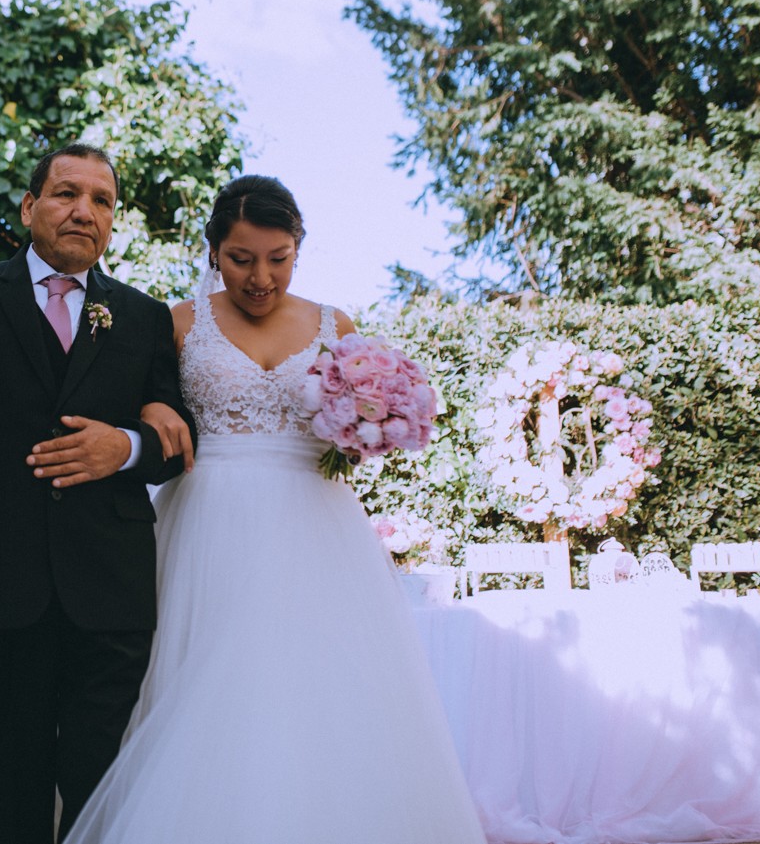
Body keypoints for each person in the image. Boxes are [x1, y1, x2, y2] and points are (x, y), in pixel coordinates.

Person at [64, 176, 485, 843]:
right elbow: (149, 408)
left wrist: (375, 424)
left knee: (319, 688)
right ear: (213, 253)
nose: (261, 277)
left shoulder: (334, 324)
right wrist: (154, 406)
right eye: (241, 258)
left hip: (314, 526)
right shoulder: (176, 323)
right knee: (203, 684)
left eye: (278, 257)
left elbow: (357, 426)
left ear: (298, 250)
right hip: (208, 520)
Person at [0, 143, 197, 843]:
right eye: (66, 193)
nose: (83, 211)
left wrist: (123, 445)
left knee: (101, 777)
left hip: (112, 588)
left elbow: (178, 444)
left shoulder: (145, 317)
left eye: (102, 200)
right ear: (30, 207)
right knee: (14, 772)